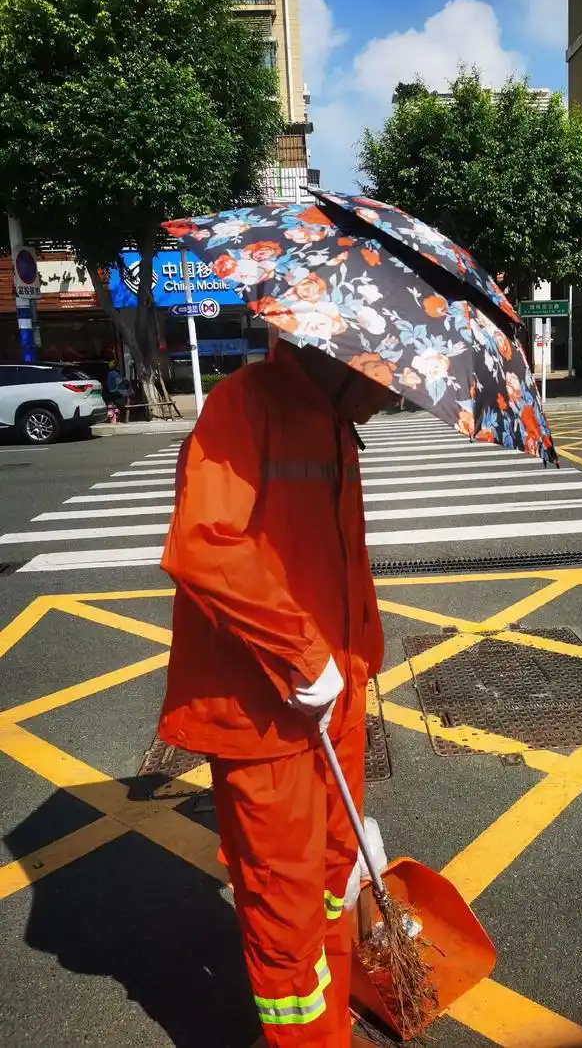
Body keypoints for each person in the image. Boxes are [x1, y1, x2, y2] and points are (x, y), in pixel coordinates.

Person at [157, 338, 394, 1047]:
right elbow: (201, 543)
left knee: (333, 879)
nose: (392, 399)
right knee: (285, 913)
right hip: (264, 718)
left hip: (334, 700)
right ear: (352, 356)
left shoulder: (334, 423)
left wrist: (345, 669)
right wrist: (300, 651)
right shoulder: (245, 404)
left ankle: (328, 1024)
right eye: (389, 380)